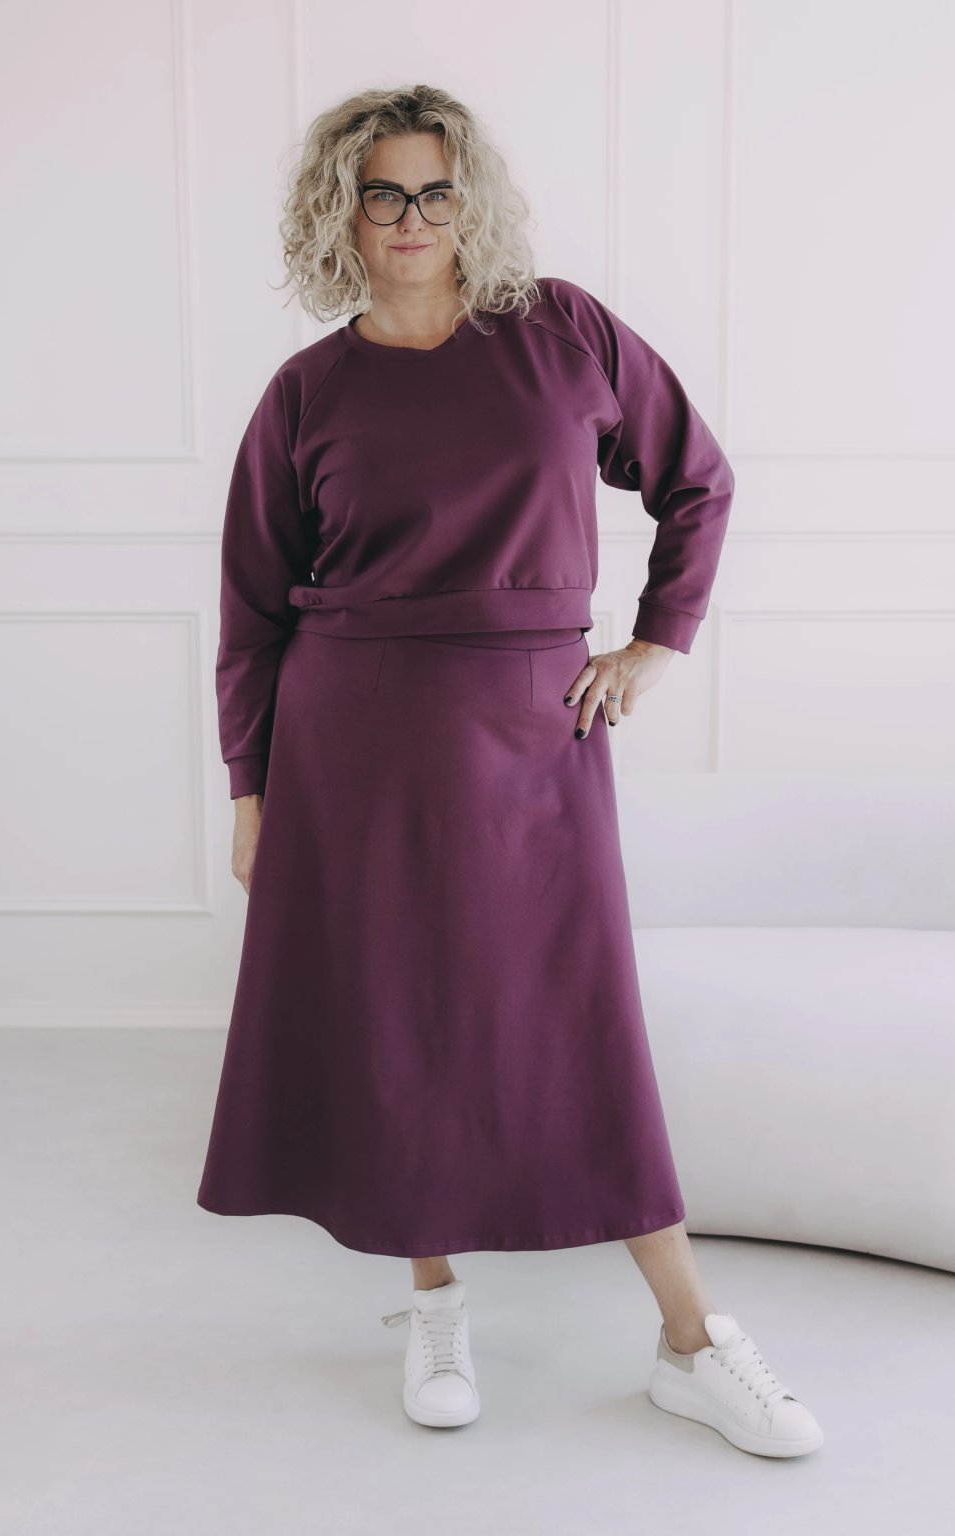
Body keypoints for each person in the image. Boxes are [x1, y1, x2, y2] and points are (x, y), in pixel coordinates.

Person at [196, 82, 824, 1458]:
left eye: (434, 190)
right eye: (382, 193)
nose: (411, 217)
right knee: (400, 1019)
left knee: (581, 1024)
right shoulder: (306, 392)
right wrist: (251, 790)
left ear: (466, 199)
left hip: (535, 736)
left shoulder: (563, 331)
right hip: (351, 747)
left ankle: (690, 1339)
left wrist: (657, 640)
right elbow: (250, 613)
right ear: (340, 214)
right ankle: (433, 1303)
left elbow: (699, 479)